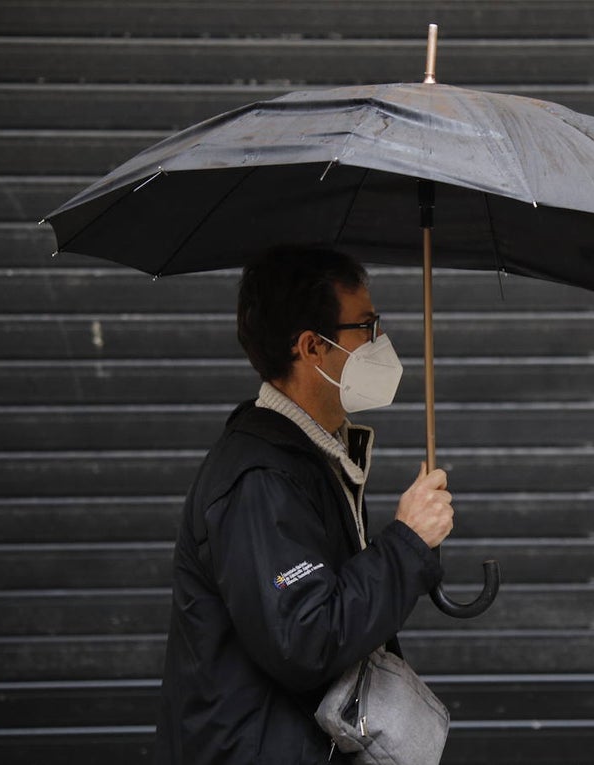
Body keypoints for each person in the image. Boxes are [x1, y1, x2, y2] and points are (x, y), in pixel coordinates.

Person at [153, 247, 453, 763]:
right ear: (313, 347)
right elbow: (306, 638)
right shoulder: (260, 480)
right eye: (368, 325)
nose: (381, 341)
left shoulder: (307, 455)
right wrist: (406, 544)